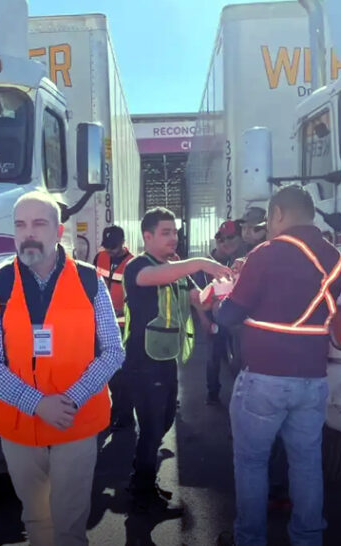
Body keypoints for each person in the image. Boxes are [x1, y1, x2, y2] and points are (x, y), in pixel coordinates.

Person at [0, 191, 125, 546]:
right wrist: (37, 404)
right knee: (37, 520)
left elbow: (113, 352)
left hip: (76, 422)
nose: (28, 233)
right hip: (19, 427)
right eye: (20, 225)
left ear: (58, 231)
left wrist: (67, 401)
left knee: (70, 525)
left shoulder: (90, 282)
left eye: (39, 224)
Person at [215, 186, 341, 546]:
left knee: (252, 464)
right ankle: (307, 539)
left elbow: (230, 315)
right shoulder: (335, 259)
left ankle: (250, 539)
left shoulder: (266, 254)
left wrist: (213, 298)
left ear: (278, 215)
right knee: (306, 464)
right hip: (313, 380)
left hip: (264, 379)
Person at [122, 207, 232, 511]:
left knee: (165, 419)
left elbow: (200, 298)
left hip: (166, 359)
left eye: (175, 232)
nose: (174, 238)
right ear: (147, 236)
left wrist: (226, 285)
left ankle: (142, 478)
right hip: (142, 362)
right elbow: (158, 277)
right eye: (166, 232)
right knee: (152, 424)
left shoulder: (176, 268)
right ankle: (141, 489)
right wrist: (201, 262)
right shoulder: (138, 267)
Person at [196, 220, 245, 405]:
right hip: (214, 320)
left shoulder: (245, 260)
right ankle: (213, 393)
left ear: (240, 238)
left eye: (230, 237)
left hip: (237, 322)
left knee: (239, 359)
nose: (225, 242)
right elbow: (197, 297)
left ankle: (239, 396)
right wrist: (203, 321)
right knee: (213, 356)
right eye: (221, 239)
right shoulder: (207, 264)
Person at [92, 226, 135, 429]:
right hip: (101, 322)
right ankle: (115, 409)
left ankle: (124, 415)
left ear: (123, 243)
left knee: (123, 373)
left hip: (122, 324)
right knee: (109, 372)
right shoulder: (99, 258)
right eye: (107, 247)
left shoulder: (133, 264)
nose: (110, 251)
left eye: (114, 248)